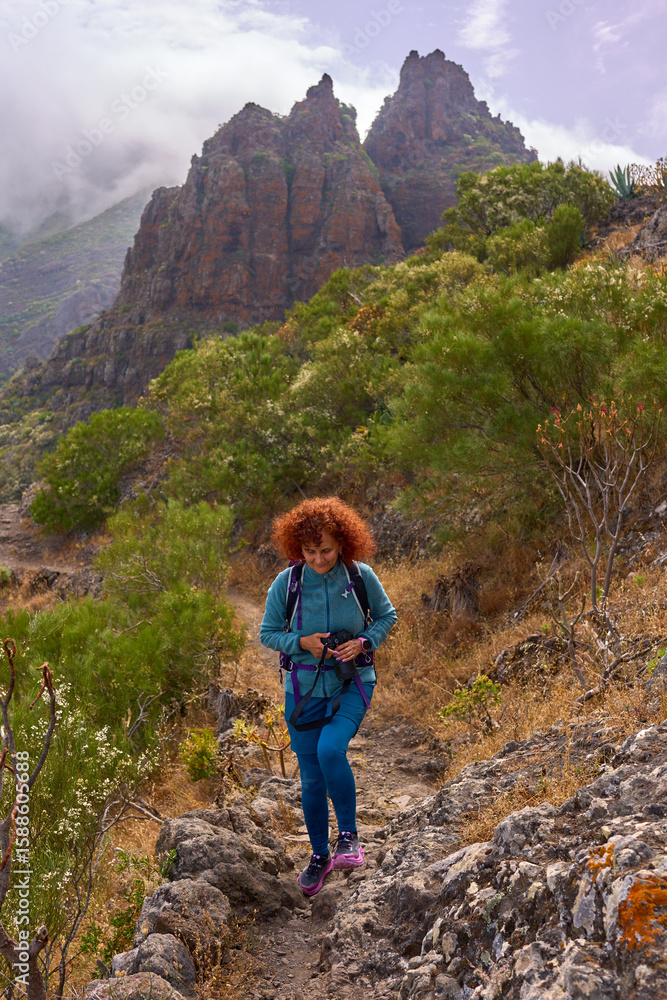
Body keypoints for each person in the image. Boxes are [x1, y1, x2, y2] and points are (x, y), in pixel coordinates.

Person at [260, 496, 397, 896]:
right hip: (301, 690)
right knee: (311, 780)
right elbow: (268, 633)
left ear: (343, 545)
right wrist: (301, 642)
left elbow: (387, 616)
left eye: (326, 550)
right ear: (296, 549)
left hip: (352, 682)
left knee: (330, 750)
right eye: (309, 551)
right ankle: (320, 855)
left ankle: (349, 839)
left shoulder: (359, 577)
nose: (318, 559)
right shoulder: (287, 583)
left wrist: (364, 641)